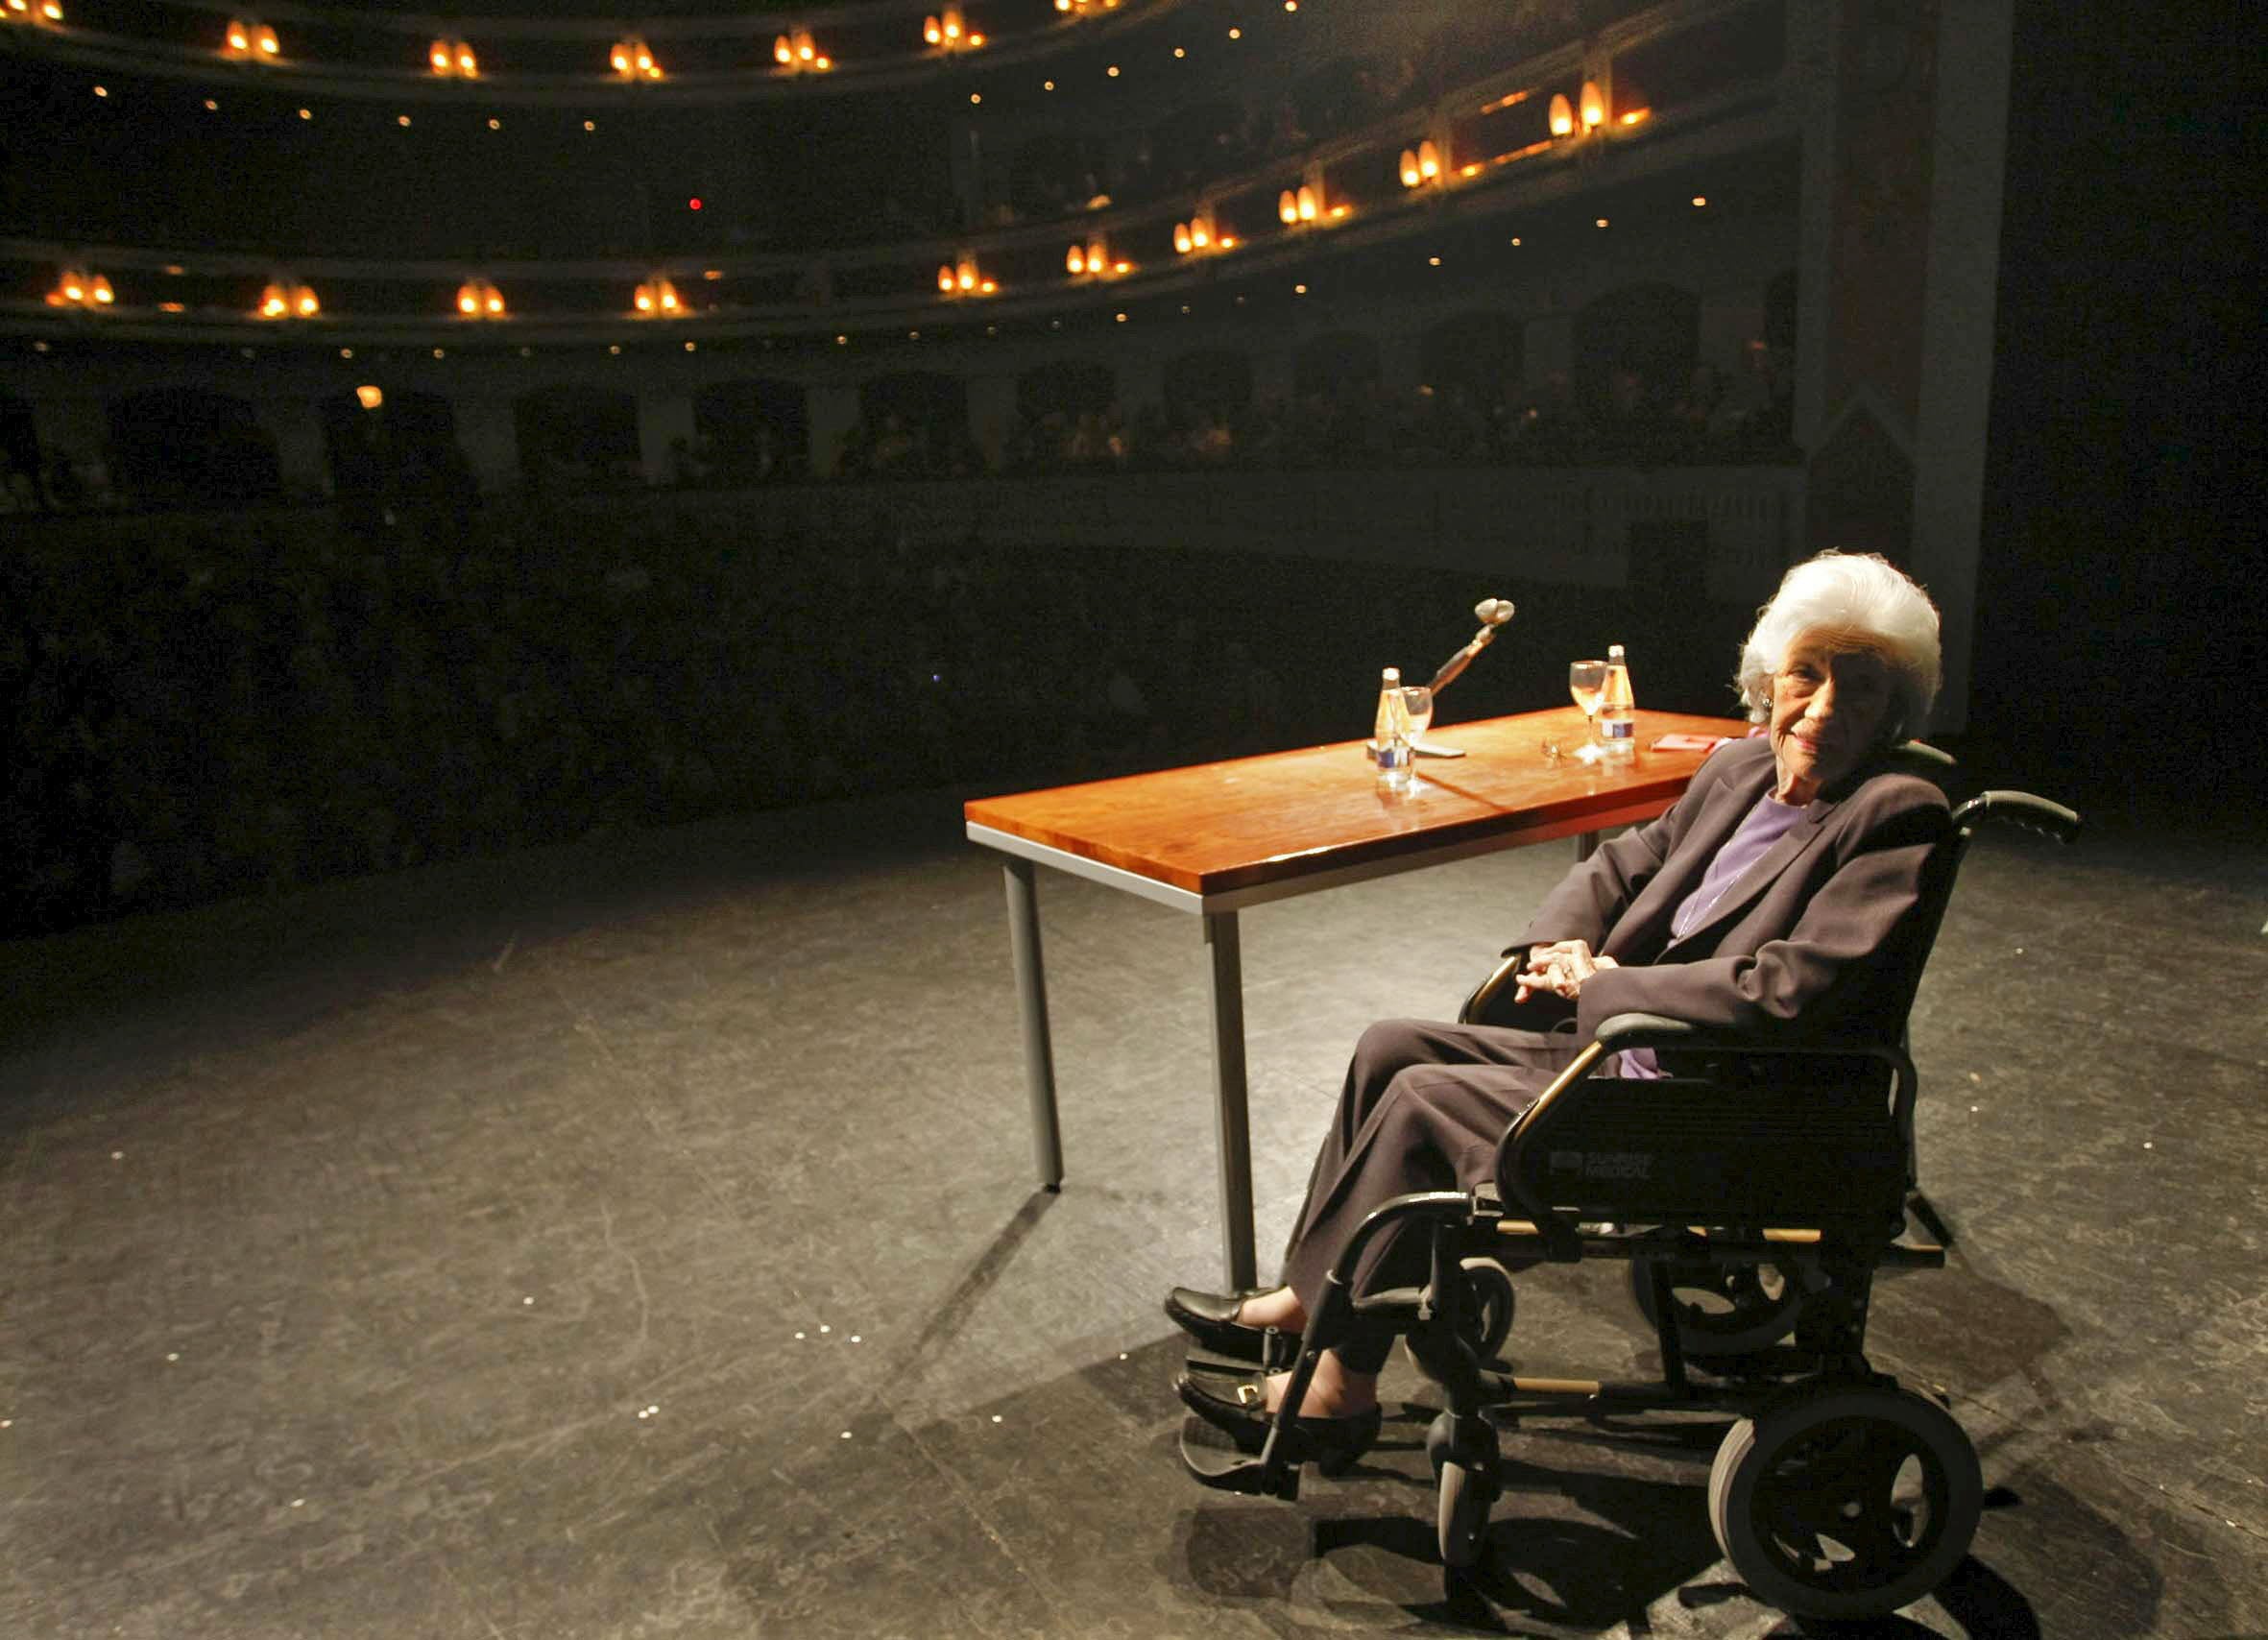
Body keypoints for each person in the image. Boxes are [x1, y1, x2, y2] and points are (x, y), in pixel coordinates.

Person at [1166, 550, 1950, 1467]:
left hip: (1717, 1101)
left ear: (1894, 710)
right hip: (1624, 1050)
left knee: (1421, 1100)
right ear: (1768, 679)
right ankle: (1310, 1301)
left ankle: (1339, 1391)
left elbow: (1788, 991)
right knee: (1390, 1047)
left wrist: (1603, 985)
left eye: (1859, 689)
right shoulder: (1742, 768)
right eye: (1807, 675)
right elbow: (1624, 862)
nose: (1821, 710)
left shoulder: (1896, 813)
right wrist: (1556, 948)